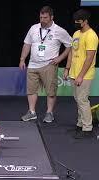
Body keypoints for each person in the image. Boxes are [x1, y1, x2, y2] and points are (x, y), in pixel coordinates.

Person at [19, 6, 72, 123]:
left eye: (45, 17)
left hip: (49, 65)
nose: (42, 20)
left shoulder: (59, 30)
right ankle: (32, 112)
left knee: (51, 90)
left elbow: (70, 45)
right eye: (41, 17)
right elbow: (27, 44)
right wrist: (22, 59)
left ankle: (49, 113)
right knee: (31, 90)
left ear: (52, 17)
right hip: (32, 64)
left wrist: (60, 58)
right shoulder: (33, 28)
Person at [63, 9, 98, 139]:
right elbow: (72, 52)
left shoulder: (91, 36)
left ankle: (87, 128)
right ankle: (80, 124)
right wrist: (67, 69)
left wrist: (81, 75)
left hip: (84, 75)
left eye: (79, 22)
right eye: (75, 21)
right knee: (78, 100)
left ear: (85, 21)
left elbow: (89, 58)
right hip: (73, 73)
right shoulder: (76, 33)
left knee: (83, 100)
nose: (76, 23)